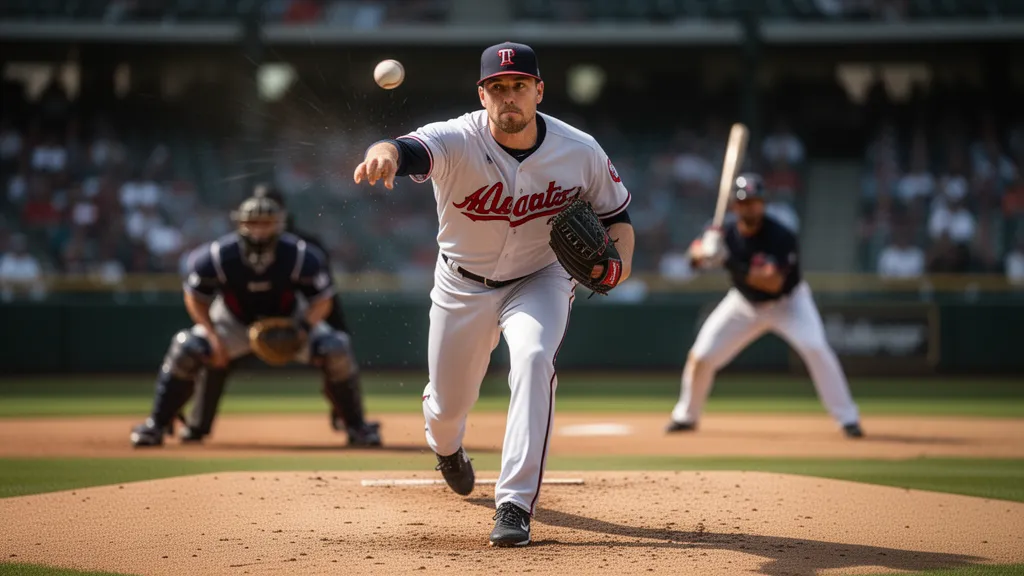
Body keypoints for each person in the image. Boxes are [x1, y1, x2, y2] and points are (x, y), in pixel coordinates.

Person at [353, 41, 635, 547]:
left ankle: (515, 503)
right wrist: (383, 152)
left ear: (538, 91)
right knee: (447, 408)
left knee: (533, 357)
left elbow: (618, 218)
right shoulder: (456, 138)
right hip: (461, 283)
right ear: (482, 95)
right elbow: (406, 148)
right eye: (497, 87)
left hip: (540, 278)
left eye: (519, 85)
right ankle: (447, 449)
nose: (509, 96)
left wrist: (619, 267)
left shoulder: (580, 149)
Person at [129, 192, 381, 448]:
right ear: (240, 223)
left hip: (290, 322)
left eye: (266, 223)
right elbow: (194, 298)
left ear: (279, 224)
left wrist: (303, 328)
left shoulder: (299, 254)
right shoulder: (218, 255)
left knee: (336, 348)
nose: (259, 230)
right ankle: (156, 424)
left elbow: (323, 300)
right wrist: (213, 336)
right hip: (232, 323)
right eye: (253, 222)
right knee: (186, 347)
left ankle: (357, 426)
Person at [665, 173, 864, 438]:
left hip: (789, 304)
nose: (751, 207)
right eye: (744, 202)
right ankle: (686, 415)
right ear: (734, 206)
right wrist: (703, 251)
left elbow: (772, 283)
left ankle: (848, 418)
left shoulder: (781, 235)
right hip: (744, 304)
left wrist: (727, 260)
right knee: (701, 356)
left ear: (764, 203)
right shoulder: (724, 232)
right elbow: (692, 259)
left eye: (755, 201)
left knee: (816, 348)